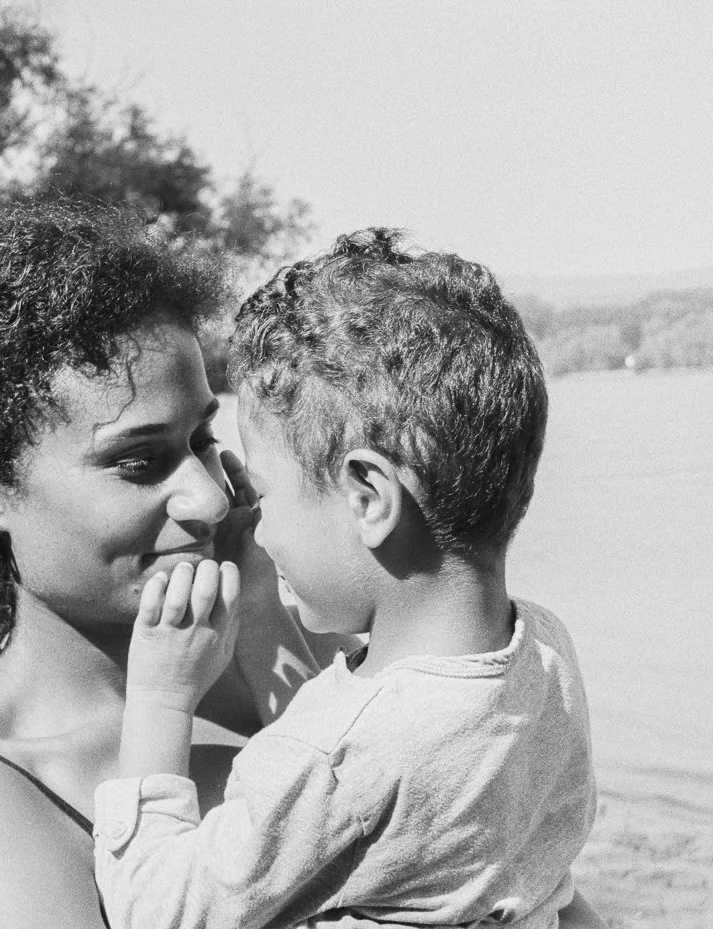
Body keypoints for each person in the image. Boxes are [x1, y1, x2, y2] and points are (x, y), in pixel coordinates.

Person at [0, 203, 608, 929]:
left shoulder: (321, 686)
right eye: (139, 460)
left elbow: (529, 879)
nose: (207, 495)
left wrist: (272, 605)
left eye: (206, 437)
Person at [92, 229, 596, 928]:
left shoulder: (336, 760)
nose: (252, 523)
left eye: (265, 496)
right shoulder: (545, 652)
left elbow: (160, 911)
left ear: (368, 496)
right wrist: (265, 591)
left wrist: (159, 698)